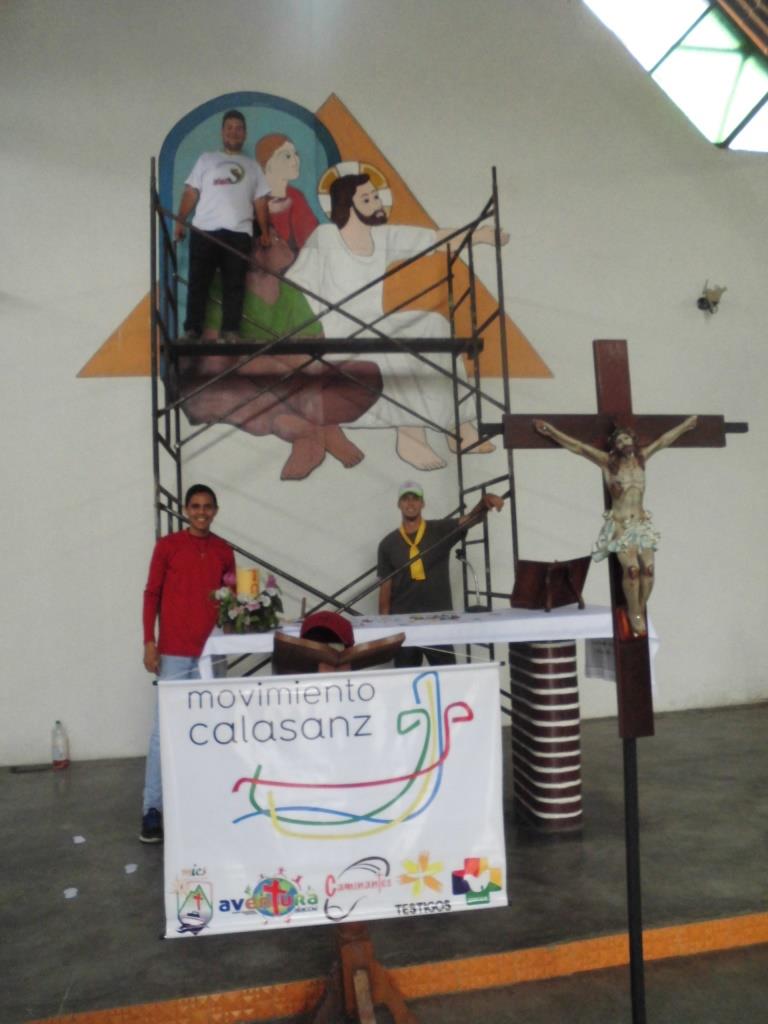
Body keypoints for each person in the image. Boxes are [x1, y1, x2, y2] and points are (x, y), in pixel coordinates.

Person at [285, 172, 506, 471]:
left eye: (376, 196)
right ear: (347, 204)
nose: (376, 203)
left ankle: (460, 426)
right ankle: (411, 437)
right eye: (366, 199)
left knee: (435, 325)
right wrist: (311, 329)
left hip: (376, 322)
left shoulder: (382, 237)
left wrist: (478, 236)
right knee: (395, 347)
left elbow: (432, 239)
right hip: (338, 330)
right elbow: (296, 284)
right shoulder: (325, 237)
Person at [533, 416, 698, 637]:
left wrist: (686, 426)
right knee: (632, 570)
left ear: (633, 440)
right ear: (614, 446)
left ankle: (638, 608)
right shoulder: (608, 462)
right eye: (619, 441)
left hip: (641, 524)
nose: (623, 443)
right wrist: (552, 432)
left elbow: (663, 440)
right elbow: (579, 447)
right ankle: (635, 613)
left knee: (648, 571)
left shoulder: (642, 458)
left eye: (626, 439)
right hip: (620, 524)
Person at [139, 484, 235, 843]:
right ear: (185, 509)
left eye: (207, 506)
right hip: (175, 652)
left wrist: (237, 629)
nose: (201, 512)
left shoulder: (224, 550)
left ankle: (210, 802)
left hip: (213, 653)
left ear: (216, 510)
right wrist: (149, 642)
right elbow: (151, 594)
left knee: (214, 728)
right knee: (164, 732)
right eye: (195, 506)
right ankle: (153, 809)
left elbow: (231, 602)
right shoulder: (167, 547)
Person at [377, 481, 504, 667]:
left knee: (447, 677)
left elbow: (471, 520)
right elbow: (385, 588)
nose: (410, 503)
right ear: (398, 504)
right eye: (405, 499)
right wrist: (384, 628)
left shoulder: (439, 530)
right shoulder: (387, 544)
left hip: (438, 620)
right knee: (406, 679)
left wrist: (484, 502)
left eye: (415, 499)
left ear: (423, 503)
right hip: (403, 623)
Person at [174, 109, 271, 343]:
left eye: (239, 128)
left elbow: (260, 201)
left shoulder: (253, 166)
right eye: (229, 128)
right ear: (222, 132)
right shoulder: (206, 159)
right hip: (205, 231)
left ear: (245, 134)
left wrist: (265, 232)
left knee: (235, 285)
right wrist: (180, 220)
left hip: (239, 233)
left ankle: (230, 331)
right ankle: (192, 330)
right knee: (198, 282)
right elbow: (191, 192)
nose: (234, 132)